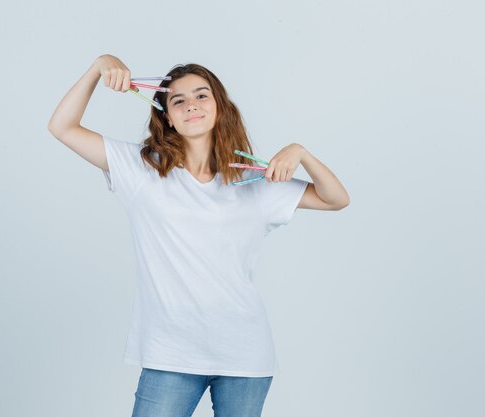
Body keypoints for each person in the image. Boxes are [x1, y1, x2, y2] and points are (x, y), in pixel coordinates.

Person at [47, 54, 350, 417]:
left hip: (244, 355)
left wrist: (300, 152)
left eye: (201, 95)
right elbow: (62, 126)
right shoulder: (141, 170)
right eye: (178, 100)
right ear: (168, 117)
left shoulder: (253, 180)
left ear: (219, 107)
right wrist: (100, 66)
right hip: (170, 354)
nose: (191, 104)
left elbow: (336, 199)